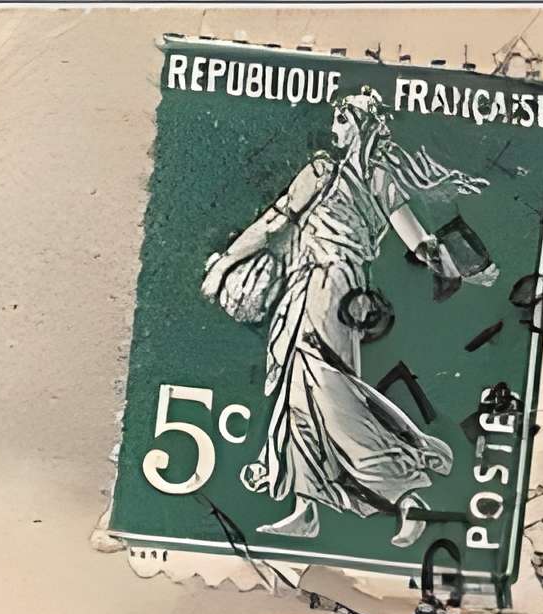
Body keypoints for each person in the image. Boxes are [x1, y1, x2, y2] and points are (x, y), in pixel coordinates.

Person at [200, 87, 496, 544]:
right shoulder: (383, 181)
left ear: (357, 124)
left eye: (341, 120)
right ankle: (307, 507)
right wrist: (461, 270)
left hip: (325, 285)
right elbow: (421, 245)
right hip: (342, 292)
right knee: (303, 392)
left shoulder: (325, 171)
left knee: (325, 389)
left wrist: (224, 264)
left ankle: (402, 490)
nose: (334, 129)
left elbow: (272, 222)